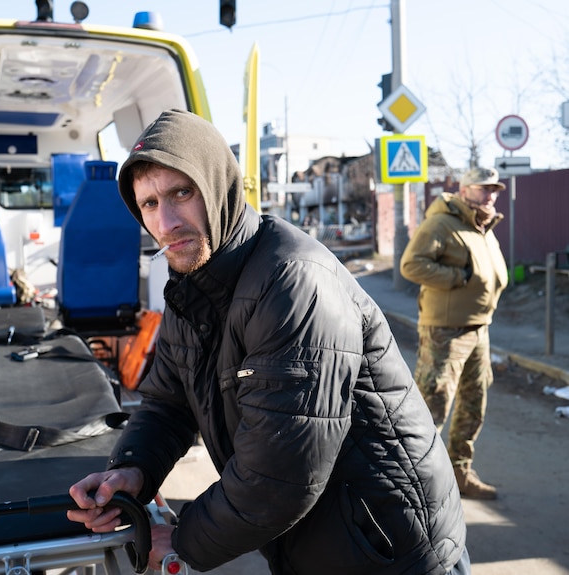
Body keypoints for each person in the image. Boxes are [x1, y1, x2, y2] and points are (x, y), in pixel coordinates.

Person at [67, 109, 469, 574]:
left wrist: (181, 537)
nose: (167, 221)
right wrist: (132, 470)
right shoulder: (193, 281)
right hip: (319, 542)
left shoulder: (293, 284)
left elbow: (280, 476)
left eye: (181, 192)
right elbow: (167, 404)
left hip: (388, 549)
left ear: (218, 186)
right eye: (150, 204)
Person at [401, 167, 508, 500]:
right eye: (483, 188)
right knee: (432, 406)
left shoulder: (482, 227)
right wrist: (457, 278)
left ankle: (460, 473)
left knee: (474, 404)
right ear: (465, 190)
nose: (491, 194)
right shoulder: (441, 224)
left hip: (479, 328)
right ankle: (412, 485)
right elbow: (411, 264)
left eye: (494, 189)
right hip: (445, 331)